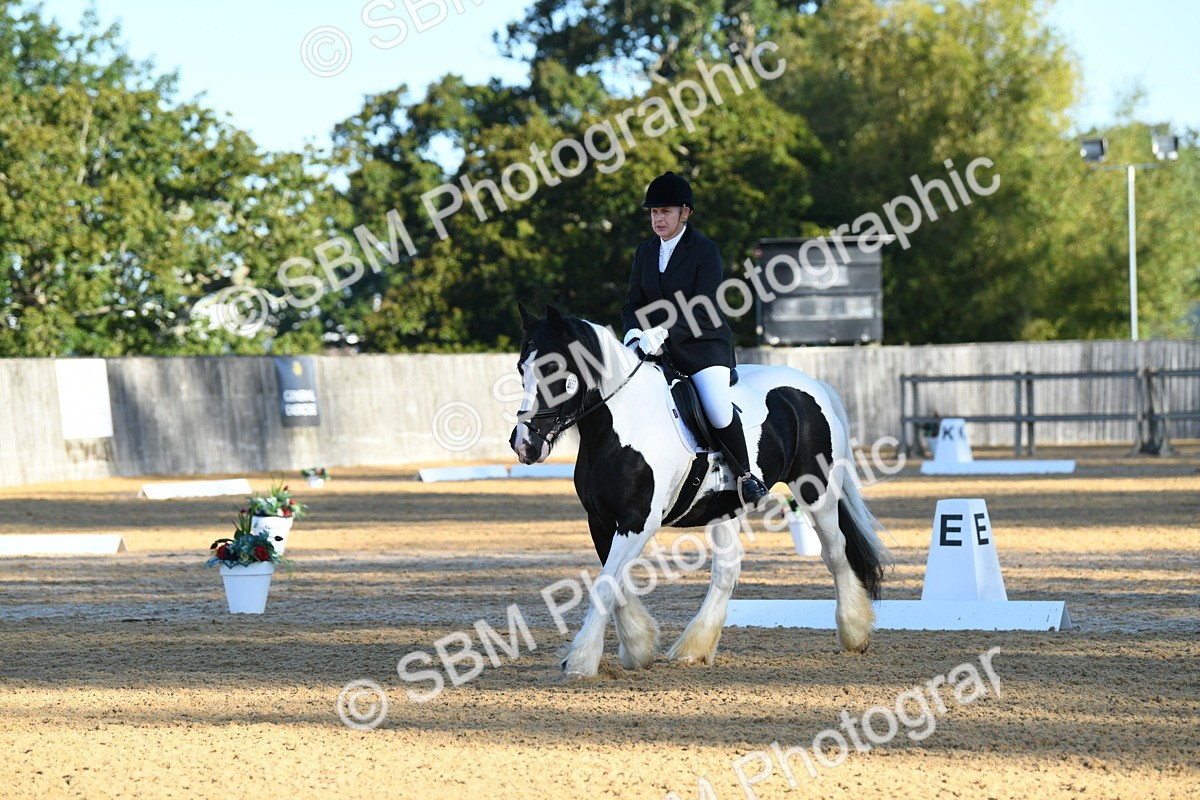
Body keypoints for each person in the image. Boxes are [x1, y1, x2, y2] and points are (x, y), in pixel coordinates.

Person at [621, 171, 770, 509]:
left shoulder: (704, 250)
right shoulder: (645, 251)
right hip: (656, 350)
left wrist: (665, 332)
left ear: (685, 213)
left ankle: (746, 476)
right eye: (654, 212)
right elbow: (633, 302)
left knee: (717, 407)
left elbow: (703, 306)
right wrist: (633, 332)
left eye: (665, 212)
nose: (658, 219)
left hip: (703, 346)